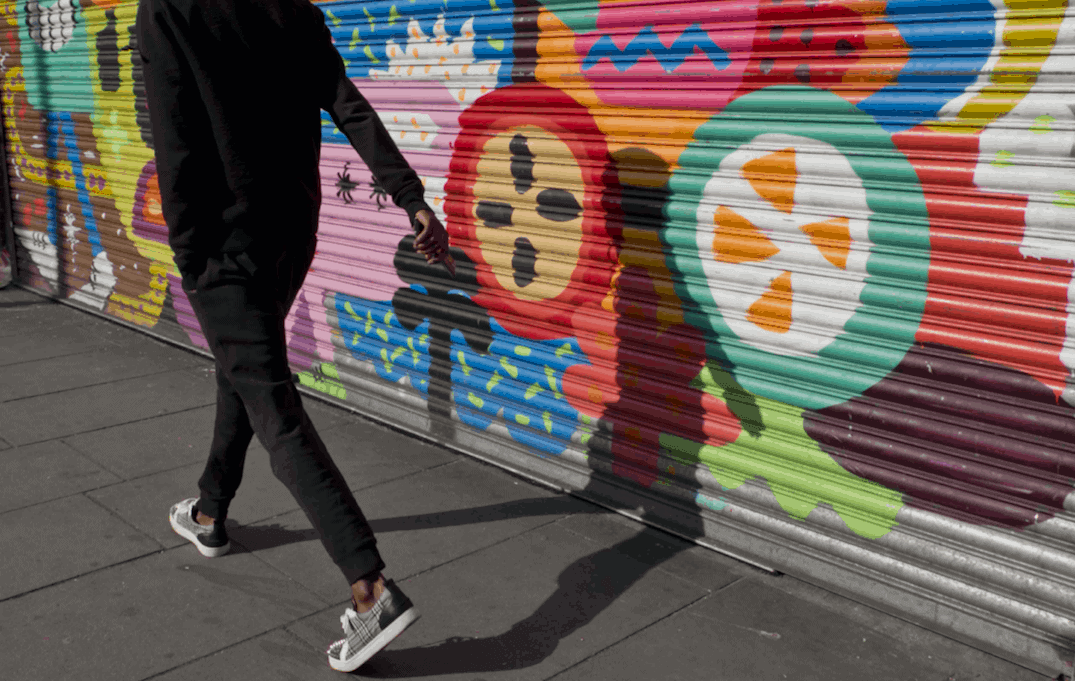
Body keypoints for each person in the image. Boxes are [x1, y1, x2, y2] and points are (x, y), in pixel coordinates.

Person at [136, 0, 452, 671]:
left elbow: (176, 142)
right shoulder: (290, 8)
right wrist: (411, 197)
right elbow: (348, 105)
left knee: (272, 404)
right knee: (245, 373)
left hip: (224, 248)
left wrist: (193, 259)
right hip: (289, 235)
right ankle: (209, 513)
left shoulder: (168, 9)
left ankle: (370, 589)